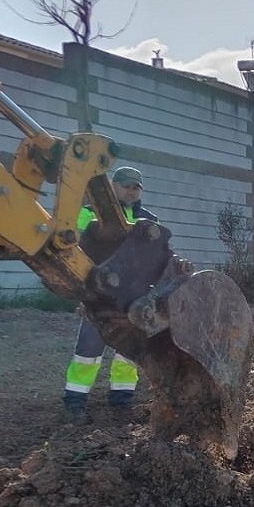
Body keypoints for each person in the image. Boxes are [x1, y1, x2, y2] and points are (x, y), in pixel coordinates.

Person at [62, 166, 159, 420]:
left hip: (132, 297)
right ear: (112, 186)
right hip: (98, 294)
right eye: (126, 185)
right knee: (89, 349)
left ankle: (122, 400)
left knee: (128, 352)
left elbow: (154, 259)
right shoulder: (87, 215)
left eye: (136, 187)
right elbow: (73, 251)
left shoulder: (149, 220)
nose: (131, 190)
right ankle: (75, 401)